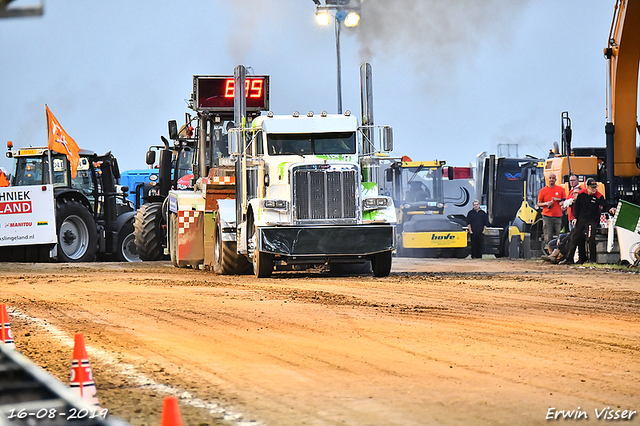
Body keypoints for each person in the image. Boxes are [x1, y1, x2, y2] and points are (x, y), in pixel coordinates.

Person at [561, 178, 616, 264]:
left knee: (590, 239)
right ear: (587, 187)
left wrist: (610, 209)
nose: (594, 189)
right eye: (592, 187)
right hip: (581, 220)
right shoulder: (581, 194)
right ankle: (569, 259)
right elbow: (577, 207)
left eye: (595, 187)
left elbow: (605, 205)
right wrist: (576, 218)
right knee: (573, 238)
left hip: (592, 221)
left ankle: (592, 260)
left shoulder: (598, 196)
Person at [537, 173, 566, 253]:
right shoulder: (543, 191)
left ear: (555, 179)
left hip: (558, 216)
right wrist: (546, 204)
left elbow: (564, 201)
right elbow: (538, 204)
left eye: (553, 178)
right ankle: (550, 253)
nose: (551, 180)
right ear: (548, 179)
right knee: (548, 236)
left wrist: (559, 201)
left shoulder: (560, 190)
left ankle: (559, 252)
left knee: (560, 235)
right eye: (550, 178)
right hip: (547, 216)